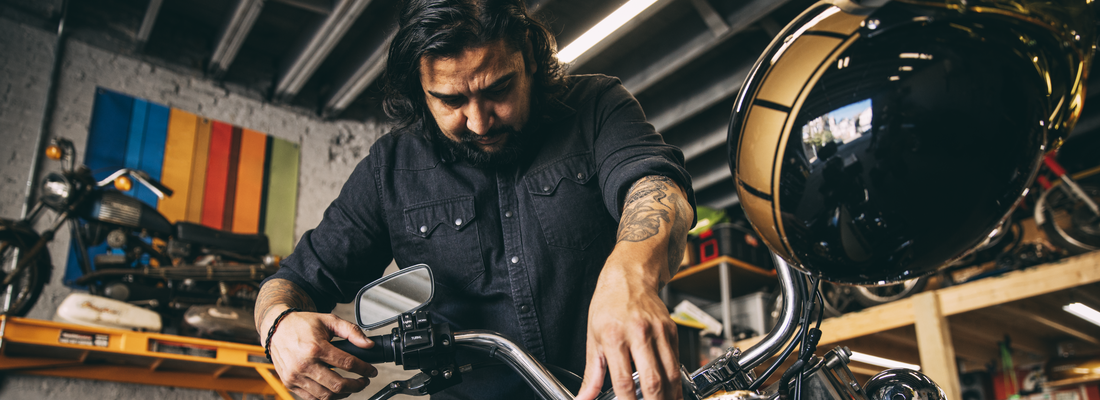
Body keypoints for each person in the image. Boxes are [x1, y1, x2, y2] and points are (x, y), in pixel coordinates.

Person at [254, 0, 696, 398]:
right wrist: (278, 327)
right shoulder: (390, 169)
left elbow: (656, 187)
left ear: (527, 55)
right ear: (419, 88)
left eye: (498, 89)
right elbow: (294, 280)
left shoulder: (596, 105)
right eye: (450, 100)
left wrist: (630, 274)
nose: (480, 122)